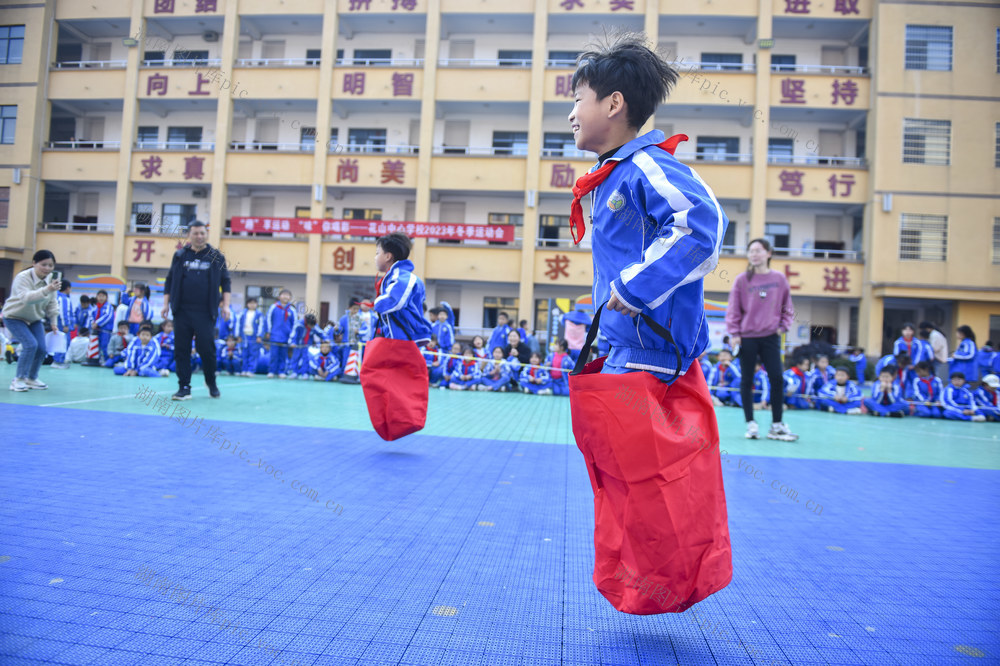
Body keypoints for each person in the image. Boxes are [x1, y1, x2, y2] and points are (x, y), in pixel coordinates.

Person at [725, 238, 797, 440]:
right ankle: (751, 424)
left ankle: (776, 425)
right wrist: (735, 333)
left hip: (770, 337)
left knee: (777, 377)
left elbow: (787, 306)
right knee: (747, 380)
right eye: (751, 251)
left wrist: (782, 327)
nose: (754, 254)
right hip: (747, 337)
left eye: (758, 250)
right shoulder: (742, 280)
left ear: (769, 253)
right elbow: (733, 309)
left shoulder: (779, 279)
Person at [161, 220, 231, 400]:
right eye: (195, 233)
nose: (199, 236)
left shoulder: (216, 256)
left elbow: (226, 282)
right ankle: (184, 387)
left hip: (205, 312)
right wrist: (165, 304)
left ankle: (211, 381)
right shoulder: (180, 255)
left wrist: (226, 305)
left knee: (206, 349)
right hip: (182, 311)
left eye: (202, 233)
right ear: (189, 235)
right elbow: (169, 280)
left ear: (206, 235)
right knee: (181, 349)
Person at [2, 250, 62, 391]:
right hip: (14, 317)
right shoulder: (22, 277)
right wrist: (47, 289)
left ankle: (31, 378)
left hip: (34, 318)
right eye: (44, 264)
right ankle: (18, 379)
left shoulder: (50, 280)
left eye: (51, 265)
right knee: (30, 345)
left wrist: (54, 321)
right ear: (34, 263)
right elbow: (26, 298)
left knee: (41, 348)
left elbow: (52, 302)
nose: (47, 268)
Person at [371, 232, 432, 343]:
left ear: (388, 256)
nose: (375, 258)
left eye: (377, 253)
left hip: (404, 340)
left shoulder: (403, 277)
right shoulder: (396, 277)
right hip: (398, 339)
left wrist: (376, 303)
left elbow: (394, 300)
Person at [262, 289, 296, 378]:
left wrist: (292, 336)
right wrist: (268, 331)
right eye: (283, 295)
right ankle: (272, 371)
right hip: (274, 336)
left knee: (283, 355)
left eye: (287, 295)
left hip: (286, 337)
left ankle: (281, 371)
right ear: (279, 296)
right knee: (273, 355)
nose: (285, 297)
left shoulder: (292, 310)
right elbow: (268, 319)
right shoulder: (273, 307)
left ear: (290, 298)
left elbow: (294, 325)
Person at [289, 313, 323, 379]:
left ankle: (305, 373)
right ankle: (294, 372)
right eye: (311, 325)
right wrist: (292, 342)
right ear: (307, 323)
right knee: (295, 358)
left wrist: (326, 339)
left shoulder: (314, 325)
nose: (312, 327)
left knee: (306, 359)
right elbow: (293, 334)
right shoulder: (298, 324)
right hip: (298, 345)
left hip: (307, 345)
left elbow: (320, 332)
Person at [235, 297, 263, 377]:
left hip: (254, 337)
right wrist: (238, 336)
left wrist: (259, 336)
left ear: (257, 304)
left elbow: (261, 325)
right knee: (244, 354)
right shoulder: (242, 313)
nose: (252, 305)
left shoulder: (259, 314)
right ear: (247, 304)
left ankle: (251, 370)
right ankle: (244, 370)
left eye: (254, 303)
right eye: (250, 303)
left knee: (253, 354)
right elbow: (238, 324)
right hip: (244, 337)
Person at [89, 289, 117, 363]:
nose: (101, 298)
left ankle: (107, 360)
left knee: (105, 345)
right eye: (99, 296)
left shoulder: (109, 306)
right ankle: (98, 360)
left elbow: (107, 316)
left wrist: (97, 323)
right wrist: (92, 323)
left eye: (103, 296)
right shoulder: (95, 307)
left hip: (105, 330)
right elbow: (91, 316)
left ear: (106, 297)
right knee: (96, 344)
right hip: (96, 330)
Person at [53, 280, 75, 367]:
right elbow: (63, 312)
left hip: (59, 324)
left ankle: (58, 360)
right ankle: (58, 361)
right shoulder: (64, 299)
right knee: (63, 343)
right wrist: (65, 324)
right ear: (68, 288)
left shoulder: (57, 297)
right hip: (62, 325)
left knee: (59, 342)